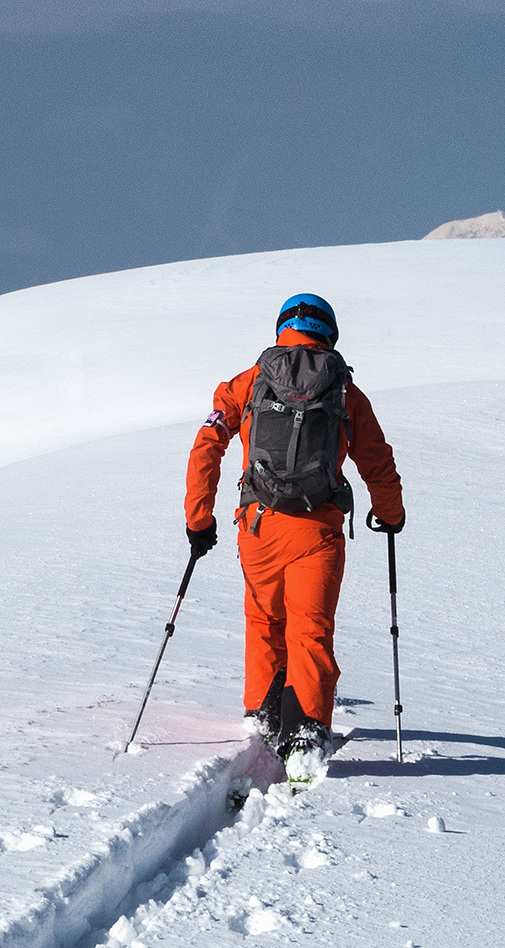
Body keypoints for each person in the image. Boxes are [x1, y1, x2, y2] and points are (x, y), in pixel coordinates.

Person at [184, 292, 404, 767]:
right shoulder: (346, 392)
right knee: (310, 628)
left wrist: (199, 519)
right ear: (330, 333)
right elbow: (377, 460)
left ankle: (261, 716)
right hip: (318, 530)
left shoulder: (248, 382)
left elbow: (207, 445)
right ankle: (306, 728)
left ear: (282, 327)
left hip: (258, 527)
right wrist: (391, 514)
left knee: (265, 620)